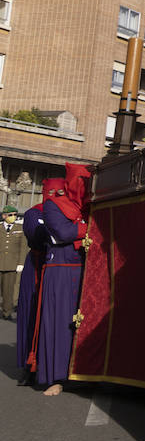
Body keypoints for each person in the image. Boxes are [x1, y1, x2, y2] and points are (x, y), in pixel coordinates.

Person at [28, 164, 91, 396]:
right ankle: (55, 377)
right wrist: (85, 227)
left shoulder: (88, 206)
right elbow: (63, 233)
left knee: (82, 325)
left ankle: (81, 373)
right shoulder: (54, 205)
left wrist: (80, 227)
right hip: (61, 271)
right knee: (58, 324)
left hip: (85, 270)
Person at [16, 183, 56, 386]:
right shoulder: (34, 213)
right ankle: (27, 363)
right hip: (36, 267)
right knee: (31, 314)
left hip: (55, 268)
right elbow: (36, 236)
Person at [0, 204, 23, 320]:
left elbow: (23, 247)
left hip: (11, 264)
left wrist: (21, 263)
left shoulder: (20, 229)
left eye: (15, 215)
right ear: (4, 216)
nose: (13, 217)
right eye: (10, 215)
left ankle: (6, 312)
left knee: (8, 290)